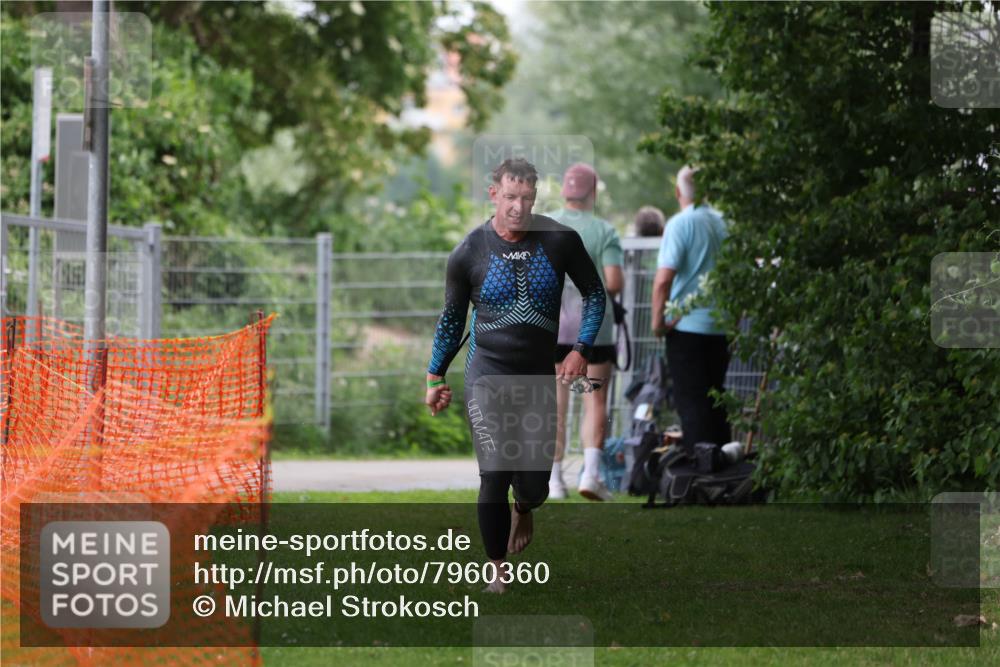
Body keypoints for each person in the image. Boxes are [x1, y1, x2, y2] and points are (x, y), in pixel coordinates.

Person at [425, 158, 606, 593]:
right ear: (494, 194)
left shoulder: (560, 240)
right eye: (510, 197)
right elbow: (451, 321)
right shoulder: (469, 251)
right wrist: (434, 377)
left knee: (534, 484)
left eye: (526, 198)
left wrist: (581, 349)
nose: (518, 207)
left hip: (536, 380)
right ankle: (497, 572)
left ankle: (525, 507)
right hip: (486, 375)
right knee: (494, 472)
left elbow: (595, 294)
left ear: (535, 198)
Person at [544, 163, 624, 501]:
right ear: (592, 192)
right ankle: (591, 475)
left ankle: (554, 482)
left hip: (553, 329)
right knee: (595, 400)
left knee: (555, 403)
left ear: (565, 190)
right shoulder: (604, 231)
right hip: (595, 331)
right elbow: (615, 283)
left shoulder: (545, 226)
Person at [651, 165, 732, 451]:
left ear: (677, 192)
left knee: (692, 401)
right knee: (716, 399)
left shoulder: (680, 224)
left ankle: (700, 473)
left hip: (685, 328)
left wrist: (658, 322)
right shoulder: (726, 223)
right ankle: (723, 470)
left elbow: (663, 281)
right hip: (721, 326)